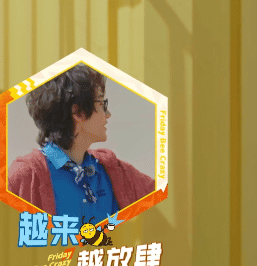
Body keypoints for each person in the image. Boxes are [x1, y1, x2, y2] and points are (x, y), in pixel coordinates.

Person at [8, 63, 154, 223]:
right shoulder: (26, 176)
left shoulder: (114, 170)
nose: (108, 114)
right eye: (101, 104)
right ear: (77, 112)